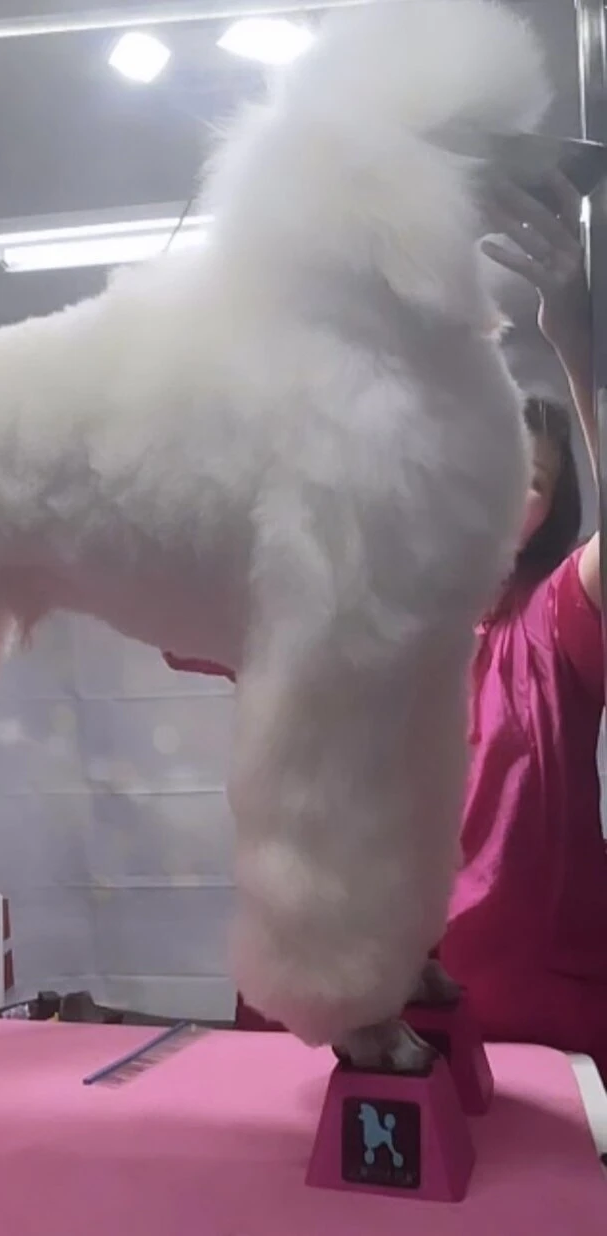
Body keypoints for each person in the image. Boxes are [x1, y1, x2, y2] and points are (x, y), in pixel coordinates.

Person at [166, 171, 607, 1075]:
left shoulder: (549, 623)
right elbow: (177, 562)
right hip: (318, 1036)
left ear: (548, 513)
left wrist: (579, 344)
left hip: (526, 1034)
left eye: (528, 479)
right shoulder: (332, 599)